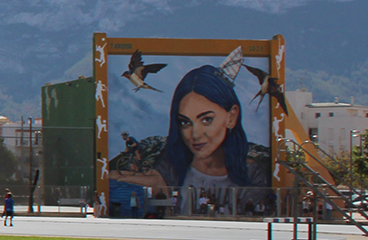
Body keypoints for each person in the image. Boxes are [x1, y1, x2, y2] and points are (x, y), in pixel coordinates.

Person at [109, 64, 257, 215]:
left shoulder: (254, 174)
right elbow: (156, 179)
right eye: (185, 122)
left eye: (207, 120)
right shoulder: (171, 163)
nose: (195, 135)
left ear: (231, 116)